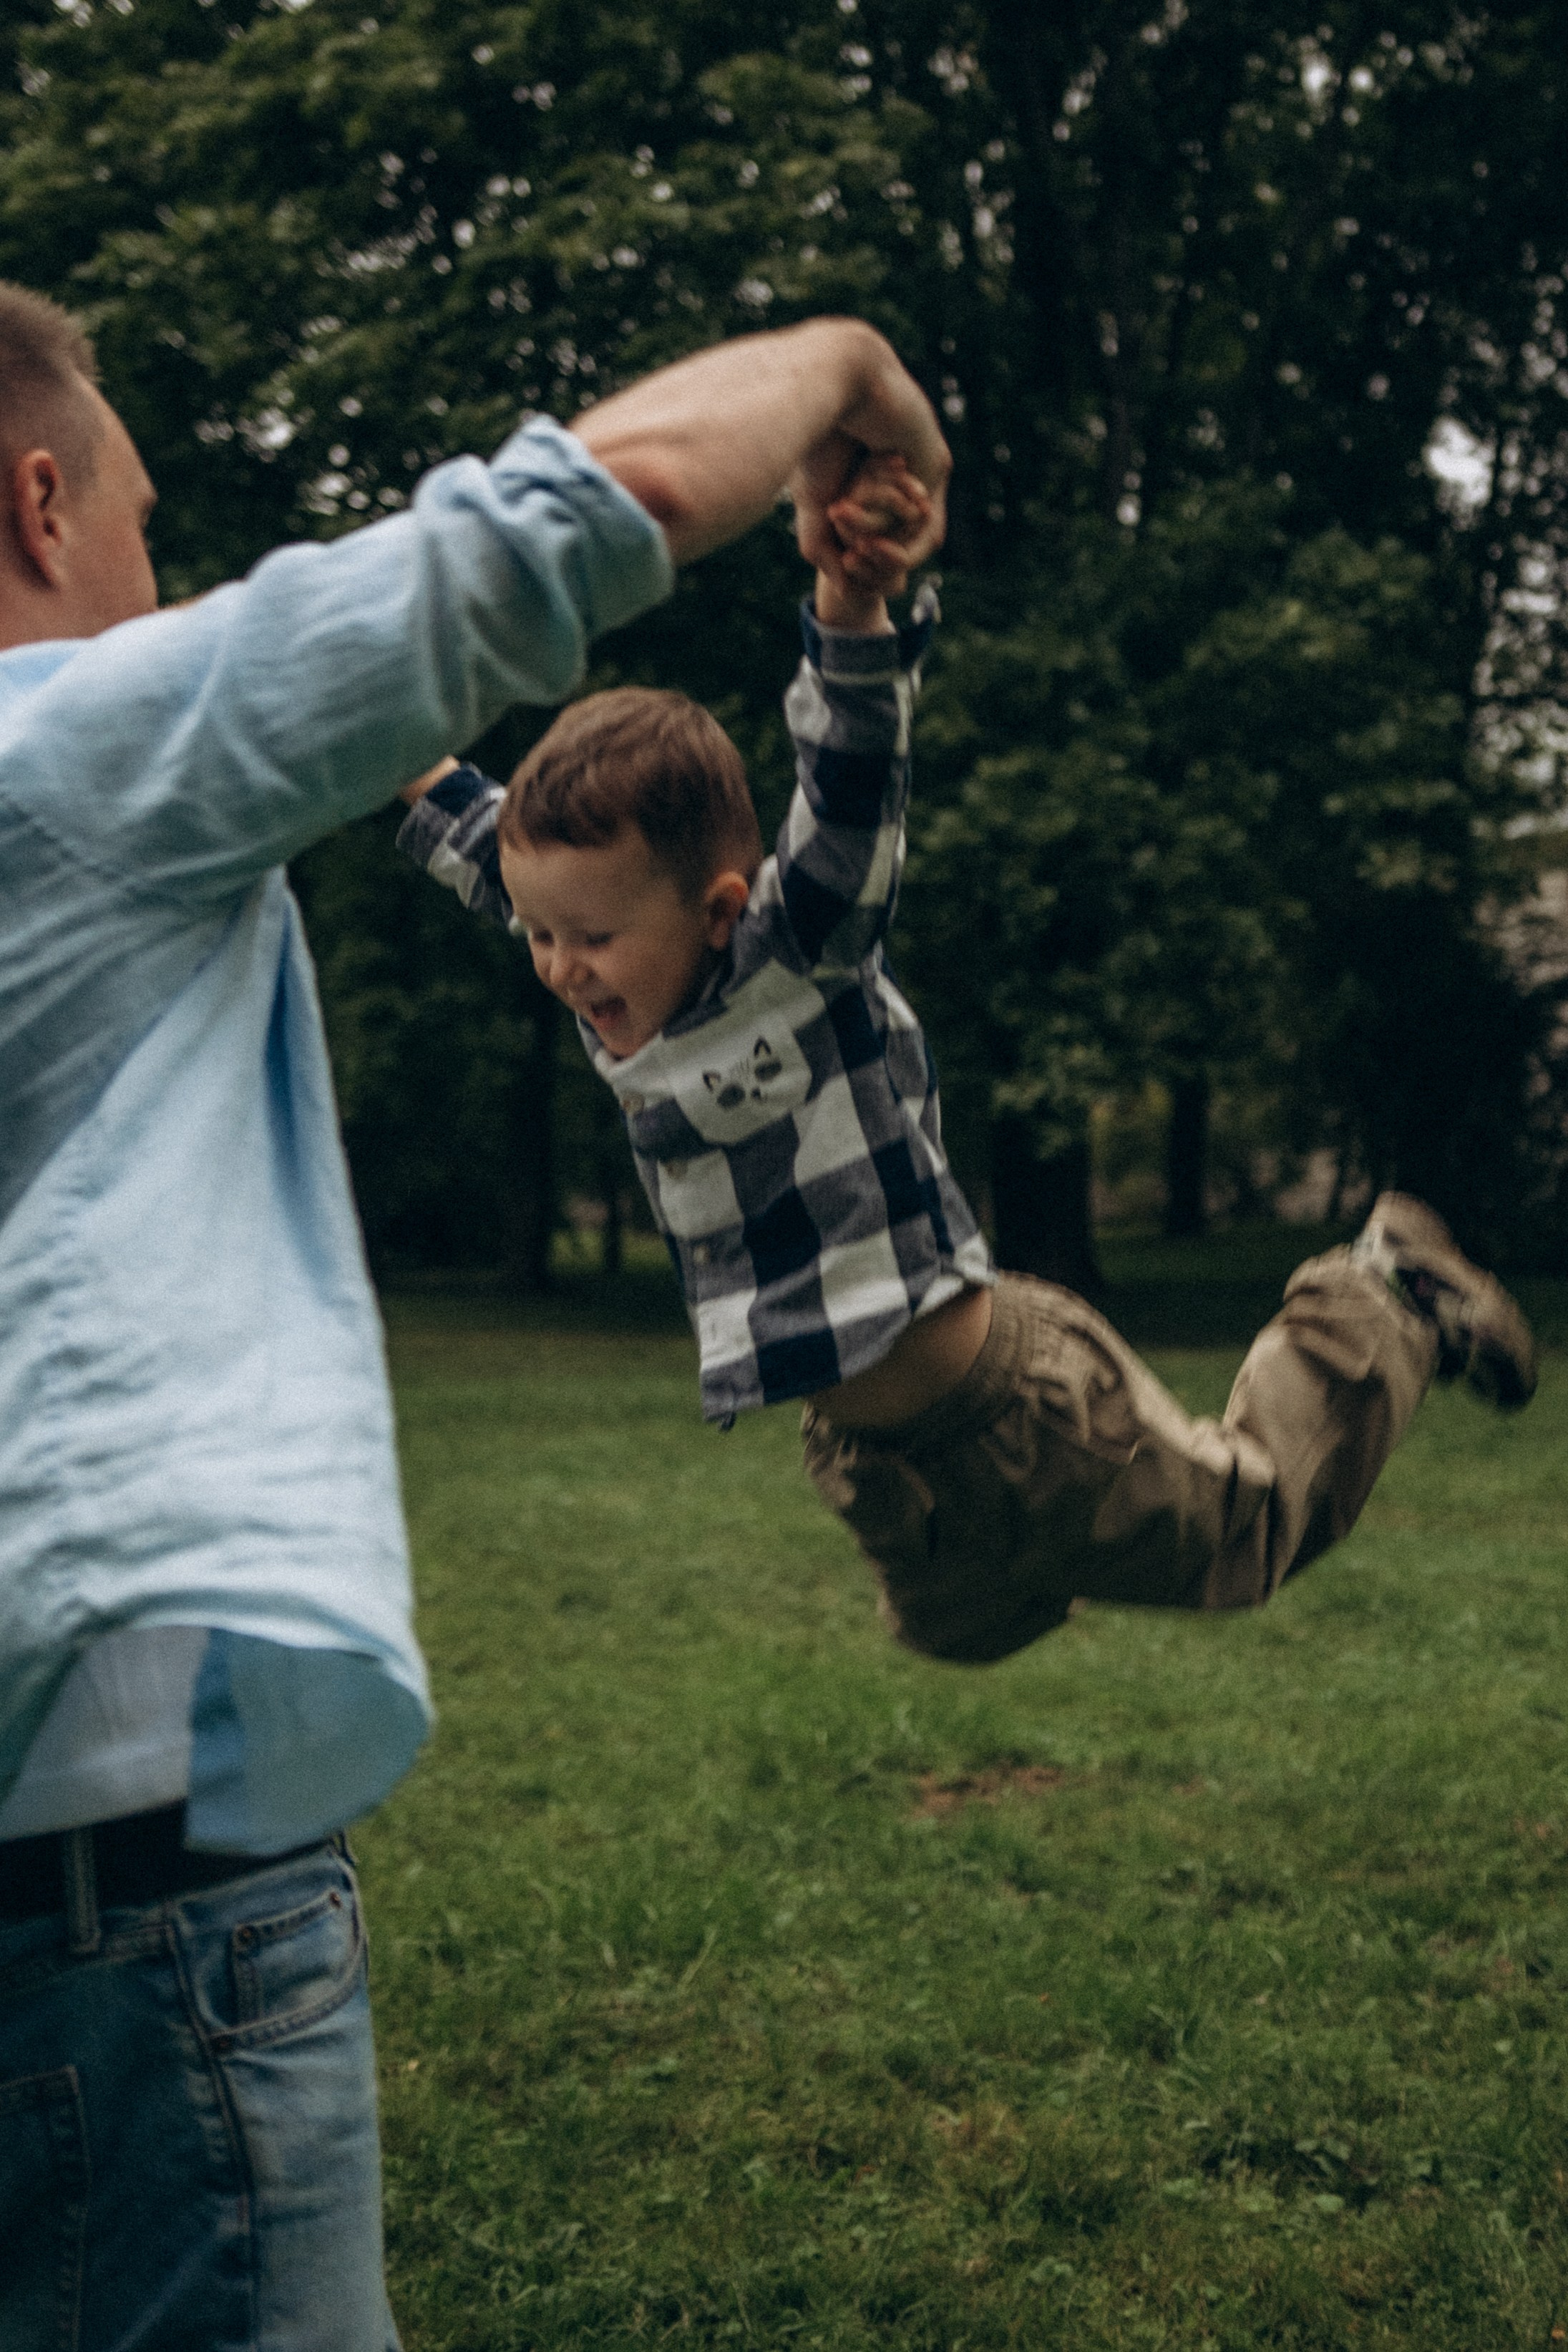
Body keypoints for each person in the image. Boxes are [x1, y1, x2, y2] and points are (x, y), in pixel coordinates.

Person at [0, 283, 950, 2351]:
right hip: (133, 1925)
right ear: (40, 492)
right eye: (147, 521)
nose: (158, 577)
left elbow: (476, 807)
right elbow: (553, 527)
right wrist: (848, 371)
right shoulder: (67, 743)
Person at [399, 453, 1538, 1667]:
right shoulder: (618, 976)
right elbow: (479, 841)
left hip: (1009, 1398)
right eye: (542, 934)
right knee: (956, 1631)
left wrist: (849, 608)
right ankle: (1058, 1539)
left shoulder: (797, 950)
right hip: (876, 1446)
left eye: (593, 938)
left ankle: (1383, 1294)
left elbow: (850, 791)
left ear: (722, 906)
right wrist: (369, 735)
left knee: (1238, 1530)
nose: (562, 968)